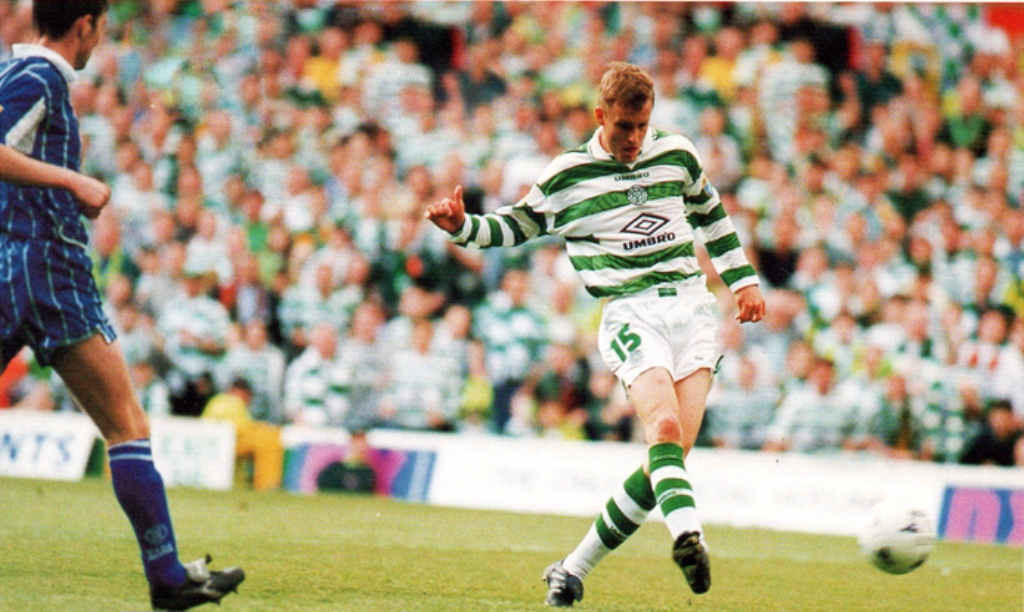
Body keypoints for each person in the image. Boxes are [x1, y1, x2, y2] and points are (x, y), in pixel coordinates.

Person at [425, 62, 765, 605]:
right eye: (624, 126)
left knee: (669, 457)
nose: (634, 138)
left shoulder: (676, 154)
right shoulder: (568, 174)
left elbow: (711, 214)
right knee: (665, 428)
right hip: (632, 313)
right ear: (600, 116)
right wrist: (463, 227)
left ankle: (571, 570)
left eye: (642, 126)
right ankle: (688, 535)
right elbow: (517, 224)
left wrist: (742, 281)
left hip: (694, 310)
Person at [0, 2, 244, 609]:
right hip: (48, 272)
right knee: (125, 424)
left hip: (10, 266)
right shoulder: (40, 75)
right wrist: (72, 181)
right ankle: (166, 577)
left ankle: (169, 575)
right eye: (102, 28)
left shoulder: (17, 73)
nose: (100, 41)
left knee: (124, 423)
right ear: (84, 24)